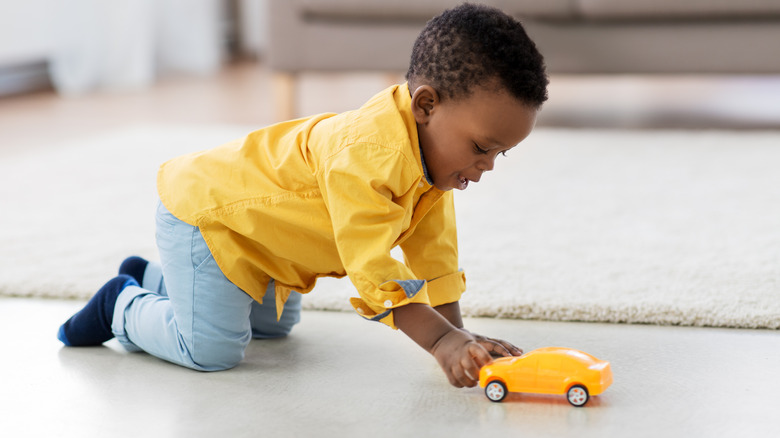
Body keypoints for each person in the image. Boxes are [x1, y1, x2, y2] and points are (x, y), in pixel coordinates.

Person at [57, 3, 548, 389]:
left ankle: (156, 276)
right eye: (482, 148)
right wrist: (442, 342)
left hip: (267, 248)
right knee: (212, 351)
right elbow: (373, 269)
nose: (484, 167)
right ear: (426, 104)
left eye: (498, 155)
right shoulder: (367, 156)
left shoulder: (432, 162)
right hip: (208, 218)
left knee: (274, 328)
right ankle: (120, 304)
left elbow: (433, 256)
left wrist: (465, 338)